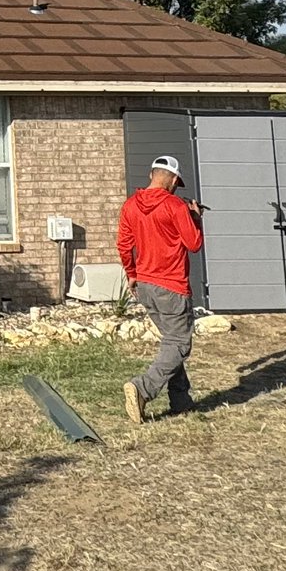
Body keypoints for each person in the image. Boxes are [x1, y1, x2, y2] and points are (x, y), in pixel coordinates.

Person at [118, 154, 205, 423]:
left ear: (151, 175)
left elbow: (123, 244)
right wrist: (196, 218)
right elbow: (194, 244)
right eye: (177, 184)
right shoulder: (175, 206)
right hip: (172, 286)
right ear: (175, 180)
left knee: (170, 341)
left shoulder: (131, 205)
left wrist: (132, 275)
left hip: (145, 285)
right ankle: (142, 388)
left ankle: (181, 400)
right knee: (179, 344)